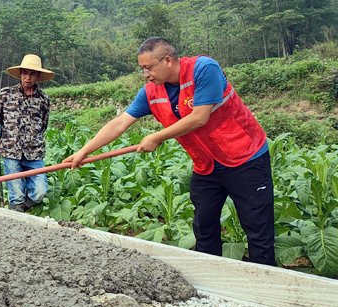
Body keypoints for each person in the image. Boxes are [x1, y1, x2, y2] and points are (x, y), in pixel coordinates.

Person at [64, 37, 275, 266]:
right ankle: (210, 276)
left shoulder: (204, 69)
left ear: (167, 61)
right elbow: (120, 123)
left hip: (245, 158)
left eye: (148, 68)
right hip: (206, 165)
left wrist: (156, 137)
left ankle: (266, 281)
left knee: (257, 228)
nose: (145, 74)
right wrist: (84, 151)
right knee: (204, 226)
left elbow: (199, 117)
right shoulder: (151, 93)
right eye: (142, 69)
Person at [0, 54, 53, 212]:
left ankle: (20, 209)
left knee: (40, 192)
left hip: (34, 152)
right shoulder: (6, 94)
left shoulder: (43, 99)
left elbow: (43, 125)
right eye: (25, 73)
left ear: (38, 76)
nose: (28, 78)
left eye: (32, 74)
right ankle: (16, 212)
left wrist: (32, 137)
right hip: (11, 150)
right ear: (20, 74)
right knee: (16, 196)